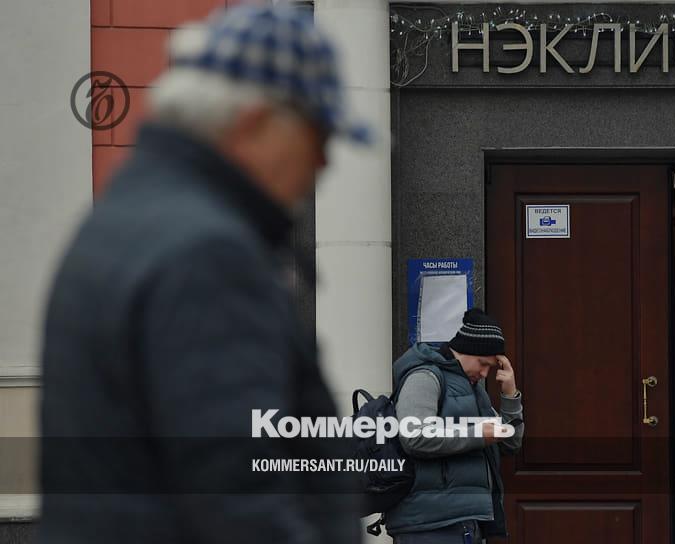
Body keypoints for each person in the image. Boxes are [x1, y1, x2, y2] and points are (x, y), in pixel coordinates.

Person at [39, 6, 366, 544]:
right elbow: (241, 494)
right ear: (254, 123)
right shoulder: (210, 254)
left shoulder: (123, 218)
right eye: (319, 137)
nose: (323, 165)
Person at [386, 309, 525, 543]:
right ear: (466, 350)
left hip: (462, 521)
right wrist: (478, 434)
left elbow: (511, 443)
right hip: (430, 524)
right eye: (483, 364)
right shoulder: (425, 377)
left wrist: (510, 395)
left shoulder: (473, 389)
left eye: (491, 367)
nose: (485, 373)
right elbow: (414, 436)